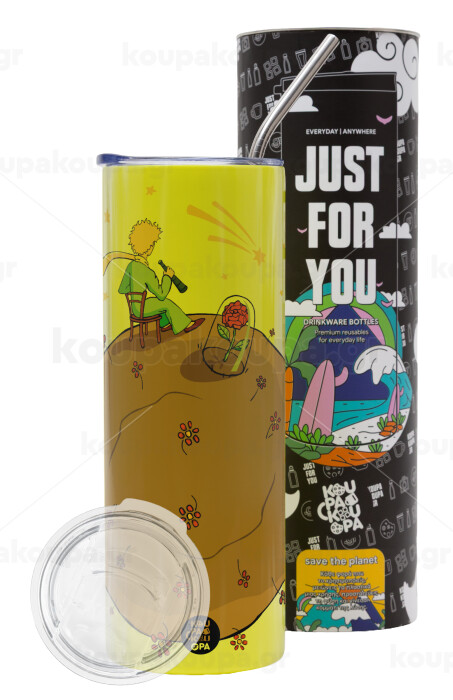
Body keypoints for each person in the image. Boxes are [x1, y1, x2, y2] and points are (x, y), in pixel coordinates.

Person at [108, 219, 204, 335]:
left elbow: (122, 289)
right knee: (166, 303)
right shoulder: (147, 271)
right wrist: (167, 277)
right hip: (142, 309)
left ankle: (165, 323)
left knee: (154, 302)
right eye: (153, 243)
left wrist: (135, 292)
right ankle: (186, 324)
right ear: (149, 247)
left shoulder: (131, 266)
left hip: (134, 308)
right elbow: (161, 294)